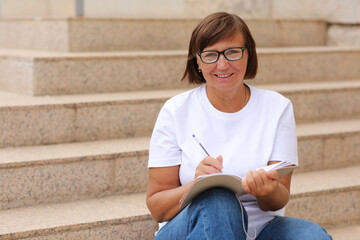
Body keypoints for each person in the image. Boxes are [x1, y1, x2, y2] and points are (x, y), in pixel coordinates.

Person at [146, 12, 332, 240]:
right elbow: (157, 207)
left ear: (248, 54)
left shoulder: (277, 107)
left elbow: (280, 198)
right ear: (198, 61)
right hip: (192, 229)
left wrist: (268, 190)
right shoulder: (176, 111)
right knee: (217, 200)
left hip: (259, 229)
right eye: (210, 55)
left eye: (232, 52)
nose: (222, 64)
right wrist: (196, 185)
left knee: (312, 235)